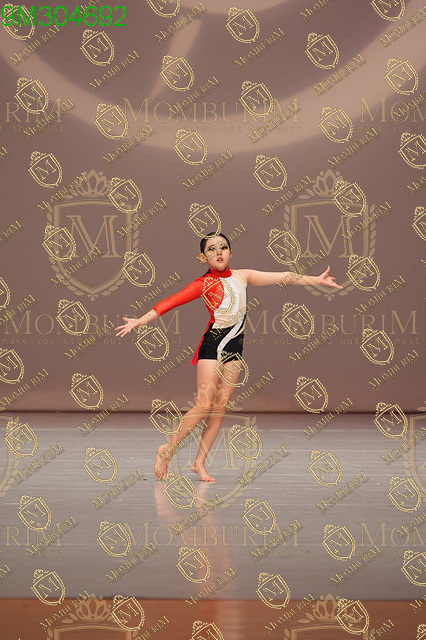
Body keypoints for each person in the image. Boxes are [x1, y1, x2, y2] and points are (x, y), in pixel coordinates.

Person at [115, 232, 342, 482]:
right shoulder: (203, 284)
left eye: (223, 247)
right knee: (204, 405)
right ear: (203, 258)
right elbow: (170, 302)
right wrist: (139, 321)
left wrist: (315, 280)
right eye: (211, 249)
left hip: (234, 350)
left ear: (231, 252)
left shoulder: (243, 276)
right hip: (213, 346)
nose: (218, 252)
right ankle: (167, 450)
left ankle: (199, 462)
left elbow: (283, 277)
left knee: (219, 409)